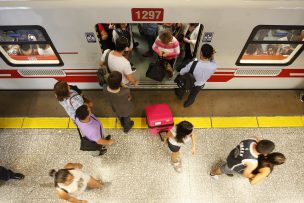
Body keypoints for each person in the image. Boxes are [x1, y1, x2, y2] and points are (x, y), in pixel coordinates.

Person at [174, 43, 217, 108]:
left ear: (201, 53)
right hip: (200, 85)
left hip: (189, 82)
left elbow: (182, 72)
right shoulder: (214, 66)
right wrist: (212, 54)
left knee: (181, 89)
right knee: (193, 95)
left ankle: (179, 96)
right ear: (211, 55)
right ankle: (188, 103)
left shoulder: (193, 64)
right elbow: (213, 60)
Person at [210, 138, 275, 179]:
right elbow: (245, 174)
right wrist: (255, 176)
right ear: (265, 154)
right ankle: (212, 174)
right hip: (233, 165)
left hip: (232, 155)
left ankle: (225, 168)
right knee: (223, 169)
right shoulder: (252, 162)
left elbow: (257, 139)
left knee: (226, 166)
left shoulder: (251, 139)